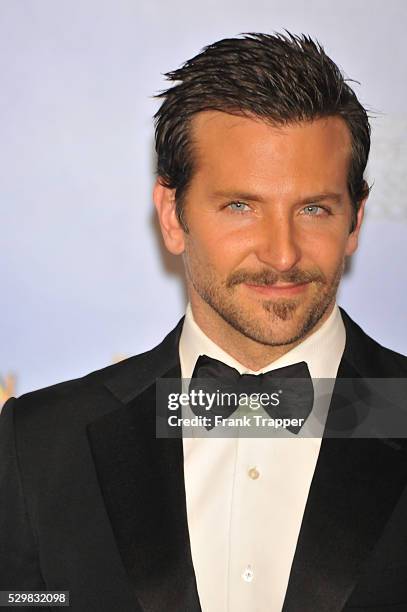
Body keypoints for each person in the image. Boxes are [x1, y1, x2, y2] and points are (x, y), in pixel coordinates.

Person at [1, 32, 407, 612]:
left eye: (314, 209)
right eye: (241, 206)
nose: (283, 253)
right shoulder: (41, 445)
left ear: (356, 220)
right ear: (173, 215)